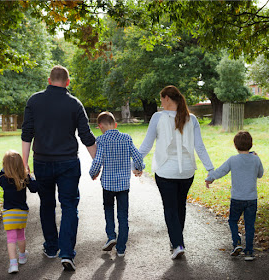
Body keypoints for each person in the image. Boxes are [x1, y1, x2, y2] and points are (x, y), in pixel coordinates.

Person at [21, 65, 96, 271]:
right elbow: (86, 136)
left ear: (49, 80)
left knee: (47, 204)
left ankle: (52, 248)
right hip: (68, 163)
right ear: (68, 82)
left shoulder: (34, 101)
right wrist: (98, 163)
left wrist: (25, 163)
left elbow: (27, 134)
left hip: (42, 162)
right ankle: (66, 253)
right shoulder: (75, 104)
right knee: (69, 206)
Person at [136, 85, 214, 260]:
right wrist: (210, 168)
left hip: (166, 172)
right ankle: (177, 241)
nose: (161, 103)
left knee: (170, 208)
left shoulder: (158, 117)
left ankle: (178, 244)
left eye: (162, 99)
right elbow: (199, 147)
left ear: (167, 99)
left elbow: (146, 145)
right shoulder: (191, 118)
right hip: (187, 173)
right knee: (180, 206)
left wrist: (136, 162)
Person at [89, 111, 144, 257]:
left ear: (100, 126)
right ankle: (121, 248)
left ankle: (111, 236)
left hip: (108, 184)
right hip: (123, 185)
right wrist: (139, 168)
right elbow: (137, 156)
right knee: (123, 215)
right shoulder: (126, 138)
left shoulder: (101, 140)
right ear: (116, 124)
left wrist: (92, 173)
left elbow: (98, 160)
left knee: (108, 209)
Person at [205, 131, 264, 261]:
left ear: (235, 145)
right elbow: (260, 174)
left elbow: (221, 171)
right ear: (251, 144)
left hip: (237, 198)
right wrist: (256, 158)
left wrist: (210, 178)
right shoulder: (256, 159)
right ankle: (249, 252)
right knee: (249, 225)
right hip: (251, 199)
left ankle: (237, 243)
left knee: (232, 220)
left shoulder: (233, 159)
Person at [0, 150, 39, 274]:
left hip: (9, 212)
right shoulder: (24, 177)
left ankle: (13, 264)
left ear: (5, 165)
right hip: (21, 212)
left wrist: (4, 168)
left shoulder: (3, 178)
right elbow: (35, 189)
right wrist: (31, 175)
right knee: (21, 235)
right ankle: (22, 257)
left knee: (11, 238)